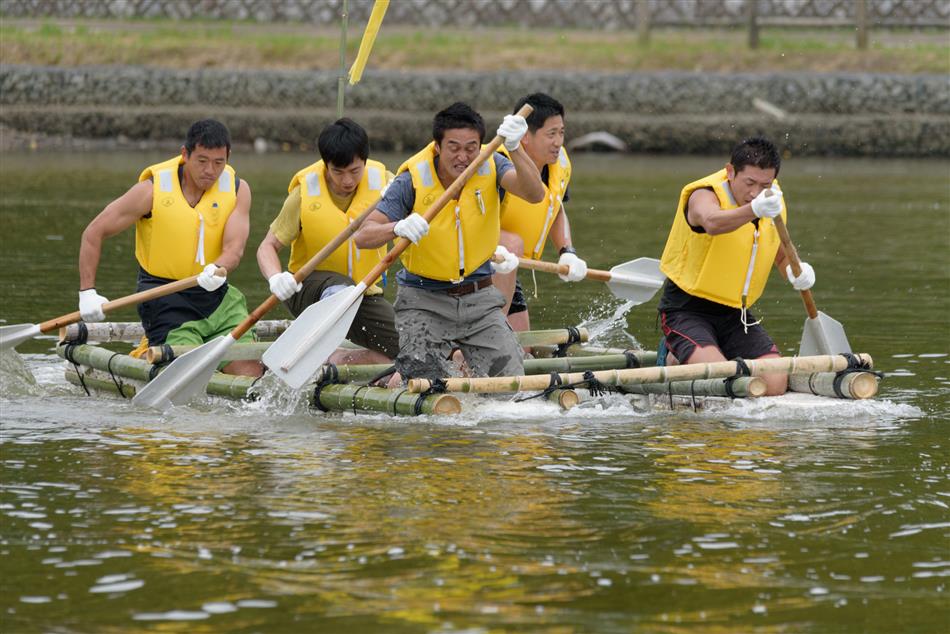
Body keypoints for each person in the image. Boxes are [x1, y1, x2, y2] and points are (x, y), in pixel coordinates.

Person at [352, 102, 545, 381]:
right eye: (454, 147)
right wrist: (399, 227)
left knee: (510, 385)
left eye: (471, 147)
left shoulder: (492, 164)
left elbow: (534, 193)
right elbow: (363, 236)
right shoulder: (411, 181)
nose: (463, 157)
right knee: (422, 384)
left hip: (480, 299)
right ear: (438, 147)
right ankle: (395, 382)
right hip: (423, 301)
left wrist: (515, 148)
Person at [77, 119, 261, 377]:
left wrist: (218, 269)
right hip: (163, 296)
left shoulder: (238, 190)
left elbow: (235, 248)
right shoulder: (151, 190)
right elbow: (94, 233)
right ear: (185, 154)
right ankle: (148, 349)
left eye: (219, 162)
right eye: (202, 160)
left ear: (228, 157)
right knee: (189, 371)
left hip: (216, 293)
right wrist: (87, 292)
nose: (210, 170)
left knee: (250, 370)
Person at [657, 136, 816, 395]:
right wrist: (754, 209)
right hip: (685, 311)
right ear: (731, 172)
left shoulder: (770, 200)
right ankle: (672, 353)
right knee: (721, 381)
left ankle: (712, 352)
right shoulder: (704, 195)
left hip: (735, 314)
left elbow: (779, 251)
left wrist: (795, 270)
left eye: (765, 184)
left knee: (775, 383)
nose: (755, 192)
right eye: (749, 183)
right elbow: (712, 222)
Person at [256, 118, 399, 368]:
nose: (347, 181)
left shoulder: (388, 184)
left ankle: (339, 359)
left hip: (361, 294)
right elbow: (267, 246)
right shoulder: (304, 193)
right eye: (338, 172)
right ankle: (314, 346)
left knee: (408, 347)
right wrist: (275, 278)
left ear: (365, 161)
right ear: (326, 165)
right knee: (339, 290)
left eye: (355, 171)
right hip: (308, 290)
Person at [493, 93, 588, 332]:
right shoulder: (495, 164)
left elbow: (555, 208)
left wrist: (567, 251)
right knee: (512, 242)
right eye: (551, 134)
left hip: (511, 268)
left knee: (523, 348)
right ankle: (490, 334)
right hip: (481, 265)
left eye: (561, 133)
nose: (558, 142)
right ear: (525, 137)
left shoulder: (559, 164)